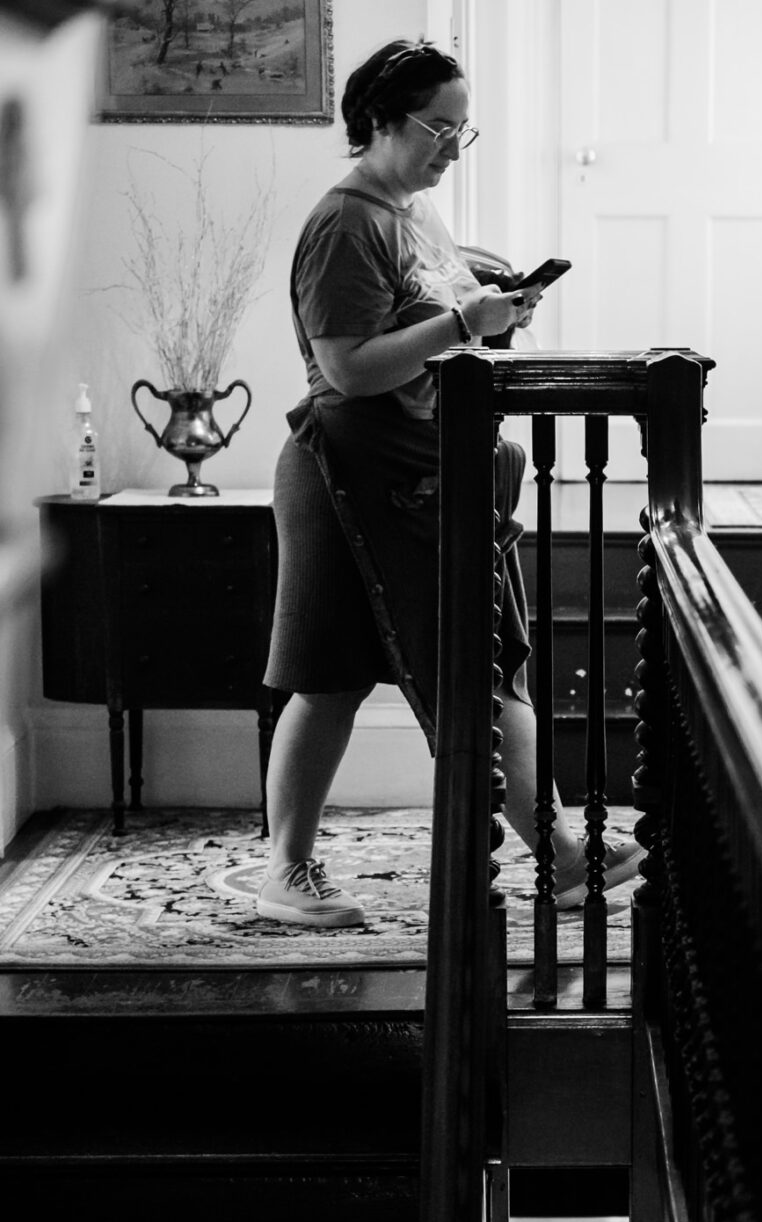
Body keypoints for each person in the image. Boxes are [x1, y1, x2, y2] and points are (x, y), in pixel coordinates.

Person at [257, 38, 643, 928]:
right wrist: (466, 319)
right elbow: (349, 369)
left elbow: (443, 327)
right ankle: (288, 868)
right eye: (440, 127)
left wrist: (494, 307)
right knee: (331, 675)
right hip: (347, 475)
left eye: (464, 132)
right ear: (383, 121)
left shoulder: (418, 213)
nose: (451, 147)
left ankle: (561, 849)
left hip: (428, 472)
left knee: (487, 665)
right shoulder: (345, 223)